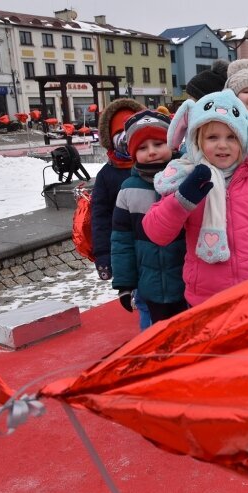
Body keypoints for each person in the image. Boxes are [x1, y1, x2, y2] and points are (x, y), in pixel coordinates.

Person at [143, 90, 248, 307]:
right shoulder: (186, 180)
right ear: (197, 140)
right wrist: (181, 201)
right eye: (212, 137)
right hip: (207, 298)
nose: (223, 145)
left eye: (231, 137)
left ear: (244, 141)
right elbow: (156, 232)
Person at [111, 110, 187, 324]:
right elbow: (121, 241)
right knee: (155, 340)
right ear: (133, 153)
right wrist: (125, 284)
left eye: (158, 144)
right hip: (149, 284)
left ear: (172, 145)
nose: (152, 152)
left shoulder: (186, 180)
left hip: (187, 281)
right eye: (143, 148)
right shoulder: (128, 190)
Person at [90, 97, 153, 329]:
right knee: (145, 300)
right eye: (121, 135)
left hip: (161, 246)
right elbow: (101, 218)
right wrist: (103, 256)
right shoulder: (107, 175)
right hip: (130, 248)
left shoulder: (158, 164)